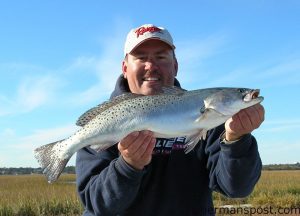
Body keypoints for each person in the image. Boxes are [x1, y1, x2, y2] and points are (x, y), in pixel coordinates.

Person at [76, 24, 265, 216]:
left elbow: (237, 189)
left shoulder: (215, 122)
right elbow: (95, 204)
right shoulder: (103, 123)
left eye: (160, 57)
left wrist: (237, 141)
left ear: (175, 66)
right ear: (125, 68)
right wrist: (128, 166)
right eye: (141, 58)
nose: (151, 66)